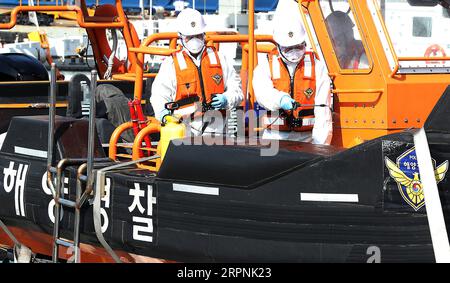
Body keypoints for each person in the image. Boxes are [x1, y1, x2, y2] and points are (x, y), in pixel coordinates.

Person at [150, 8, 243, 136]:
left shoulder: (220, 59)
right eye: (189, 37)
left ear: (204, 35)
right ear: (181, 37)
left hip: (217, 131)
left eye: (198, 36)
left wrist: (226, 99)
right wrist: (163, 114)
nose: (195, 40)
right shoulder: (171, 64)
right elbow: (159, 95)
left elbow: (237, 90)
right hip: (185, 130)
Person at [253, 11, 333, 145]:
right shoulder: (265, 66)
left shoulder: (317, 67)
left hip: (307, 138)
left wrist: (321, 147)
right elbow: (262, 94)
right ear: (278, 47)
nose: (294, 52)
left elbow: (323, 111)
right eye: (288, 49)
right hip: (274, 137)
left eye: (299, 47)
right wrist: (280, 99)